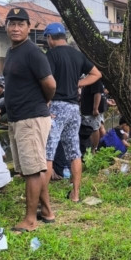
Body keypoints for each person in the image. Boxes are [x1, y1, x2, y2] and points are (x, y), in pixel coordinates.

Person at [2, 8, 56, 231]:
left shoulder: (33, 52)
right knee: (31, 168)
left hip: (31, 118)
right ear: (5, 26)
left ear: (29, 27)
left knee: (32, 170)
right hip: (18, 119)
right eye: (12, 24)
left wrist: (42, 102)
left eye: (20, 24)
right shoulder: (12, 51)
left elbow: (51, 85)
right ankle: (47, 211)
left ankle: (31, 220)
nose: (16, 28)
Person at [43, 22, 102, 204]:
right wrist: (78, 84)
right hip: (73, 109)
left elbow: (47, 82)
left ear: (49, 38)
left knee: (48, 152)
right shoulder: (77, 55)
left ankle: (42, 199)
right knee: (74, 151)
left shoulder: (50, 55)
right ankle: (75, 194)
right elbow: (96, 74)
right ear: (64, 37)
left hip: (56, 107)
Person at [80, 78, 106, 152]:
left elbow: (98, 93)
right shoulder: (91, 78)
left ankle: (94, 149)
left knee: (93, 129)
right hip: (91, 109)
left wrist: (95, 108)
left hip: (91, 111)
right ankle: (102, 146)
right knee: (100, 127)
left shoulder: (95, 80)